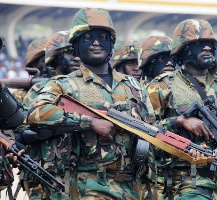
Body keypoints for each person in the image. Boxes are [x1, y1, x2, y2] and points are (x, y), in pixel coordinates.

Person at [27, 8, 157, 199]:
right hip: (88, 186)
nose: (96, 42)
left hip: (134, 187)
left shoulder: (134, 87)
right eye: (87, 38)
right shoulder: (63, 85)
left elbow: (152, 127)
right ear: (77, 47)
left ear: (111, 44)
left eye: (103, 37)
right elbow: (36, 113)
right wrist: (89, 123)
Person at [145, 19, 217, 199]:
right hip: (187, 182)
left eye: (210, 44)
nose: (207, 48)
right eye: (200, 44)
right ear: (183, 49)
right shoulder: (162, 85)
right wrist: (179, 121)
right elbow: (144, 131)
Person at [19, 30, 81, 200]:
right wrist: (50, 129)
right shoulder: (39, 91)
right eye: (69, 53)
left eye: (77, 52)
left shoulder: (91, 90)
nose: (76, 58)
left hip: (83, 176)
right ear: (56, 57)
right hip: (46, 175)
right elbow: (20, 132)